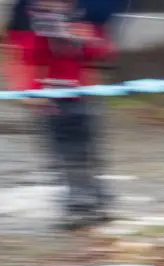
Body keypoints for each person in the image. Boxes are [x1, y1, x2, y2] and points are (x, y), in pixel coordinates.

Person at [7, 0, 115, 229]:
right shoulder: (35, 24)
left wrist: (82, 37)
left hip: (82, 95)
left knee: (88, 152)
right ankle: (78, 205)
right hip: (51, 99)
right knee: (64, 156)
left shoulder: (85, 20)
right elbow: (30, 57)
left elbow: (103, 52)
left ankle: (98, 200)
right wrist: (33, 92)